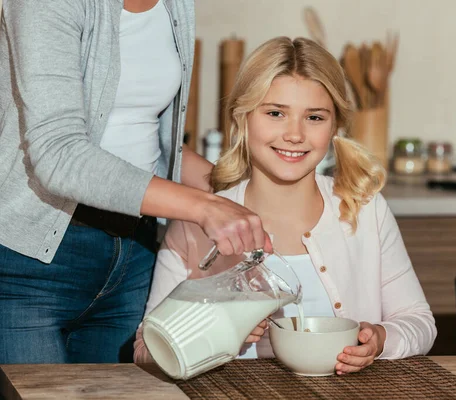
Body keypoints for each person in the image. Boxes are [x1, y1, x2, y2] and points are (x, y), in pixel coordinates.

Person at [133, 36, 437, 374]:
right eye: (276, 113)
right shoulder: (199, 222)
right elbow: (147, 348)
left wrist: (381, 338)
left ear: (334, 125)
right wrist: (217, 335)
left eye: (314, 118)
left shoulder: (364, 210)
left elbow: (419, 323)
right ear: (242, 118)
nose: (294, 134)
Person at [0, 1, 271, 364]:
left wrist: (237, 196)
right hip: (34, 263)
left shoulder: (176, 5)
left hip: (134, 257)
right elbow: (58, 152)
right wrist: (205, 207)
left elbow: (149, 144)